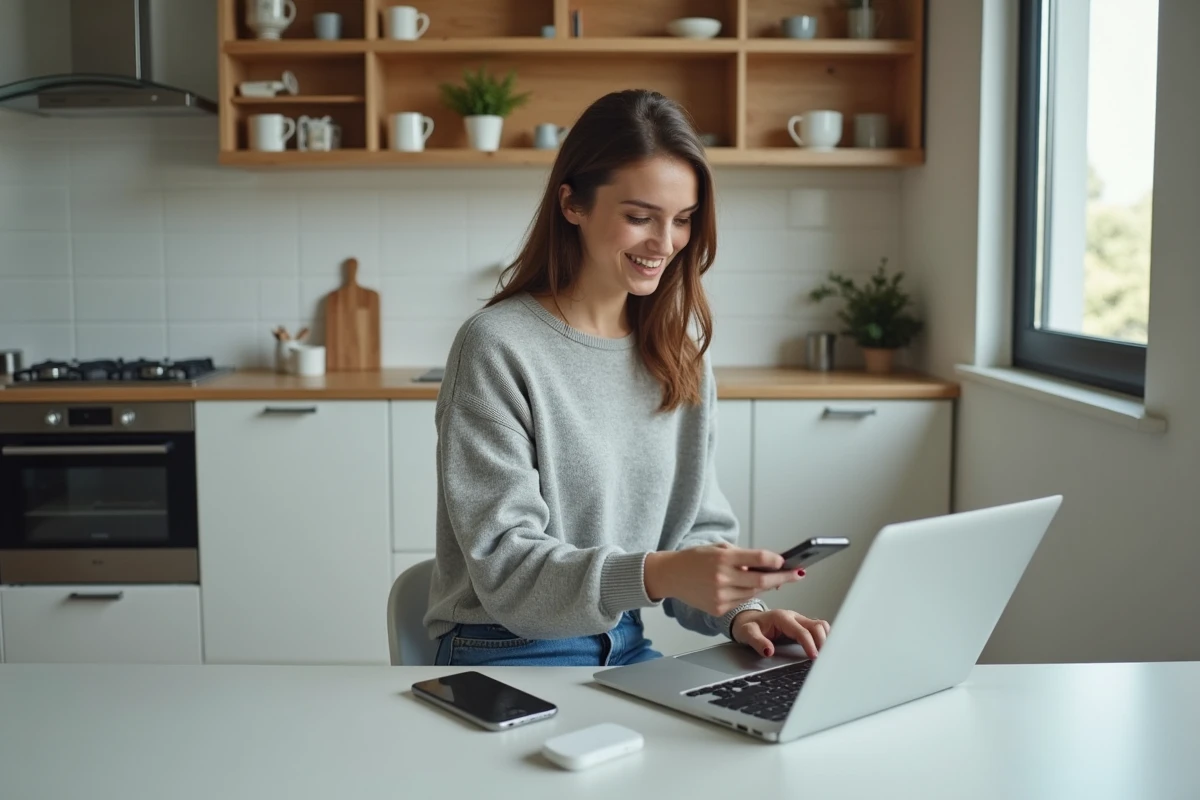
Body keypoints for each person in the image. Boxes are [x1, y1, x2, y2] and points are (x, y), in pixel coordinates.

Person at [423, 88, 830, 667]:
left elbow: (693, 533)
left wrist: (746, 615)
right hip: (502, 648)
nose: (664, 245)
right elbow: (509, 572)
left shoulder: (677, 354)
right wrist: (659, 573)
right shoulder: (497, 347)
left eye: (683, 221)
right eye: (639, 217)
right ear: (573, 205)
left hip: (625, 643)